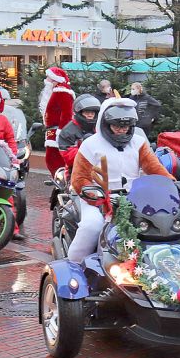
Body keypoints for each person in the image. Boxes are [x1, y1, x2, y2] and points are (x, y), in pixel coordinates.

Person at [67, 98, 173, 263]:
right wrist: (95, 195)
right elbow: (79, 178)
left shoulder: (139, 143)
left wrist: (172, 184)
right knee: (92, 226)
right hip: (97, 198)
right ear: (105, 123)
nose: (121, 130)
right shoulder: (90, 145)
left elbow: (154, 168)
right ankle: (74, 264)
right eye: (117, 126)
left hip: (134, 198)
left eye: (125, 127)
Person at [40, 67, 76, 174]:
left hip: (57, 131)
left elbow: (67, 113)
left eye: (48, 78)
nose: (46, 80)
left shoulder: (61, 91)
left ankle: (62, 181)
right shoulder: (56, 91)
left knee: (55, 159)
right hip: (53, 130)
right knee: (52, 158)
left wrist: (62, 131)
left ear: (55, 79)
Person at [58, 94, 100, 167]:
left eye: (92, 113)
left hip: (99, 168)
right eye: (87, 112)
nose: (90, 115)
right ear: (80, 113)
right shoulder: (68, 131)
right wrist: (87, 149)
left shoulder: (98, 128)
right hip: (75, 169)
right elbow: (67, 155)